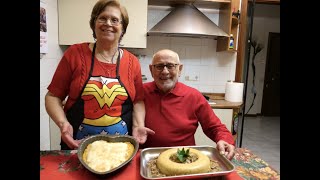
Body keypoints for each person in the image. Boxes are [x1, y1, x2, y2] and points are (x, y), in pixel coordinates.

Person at [45, 0, 154, 150]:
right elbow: (52, 97)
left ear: (123, 28)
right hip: (77, 144)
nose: (108, 23)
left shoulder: (132, 62)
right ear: (94, 23)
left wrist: (139, 125)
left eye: (115, 20)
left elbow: (138, 101)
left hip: (120, 146)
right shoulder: (75, 54)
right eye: (102, 18)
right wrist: (63, 124)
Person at [142, 49, 235, 160]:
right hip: (147, 159)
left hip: (184, 160)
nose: (165, 71)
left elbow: (215, 127)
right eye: (159, 66)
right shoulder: (140, 92)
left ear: (179, 69)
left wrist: (224, 140)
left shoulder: (194, 96)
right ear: (151, 70)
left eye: (170, 66)